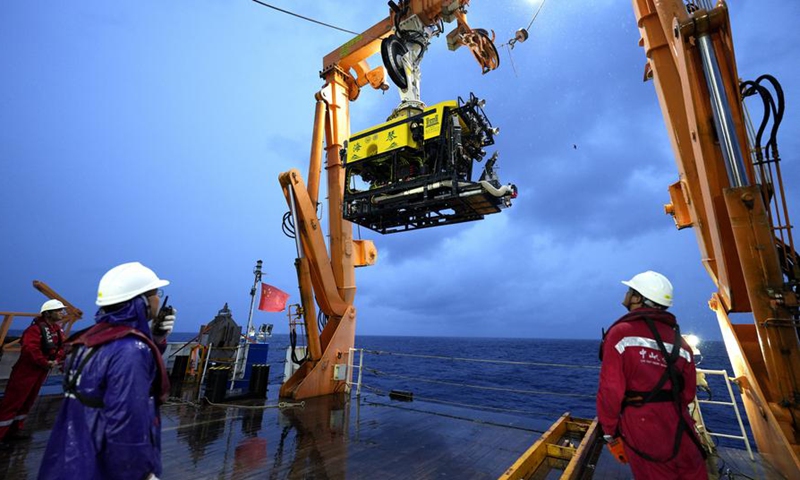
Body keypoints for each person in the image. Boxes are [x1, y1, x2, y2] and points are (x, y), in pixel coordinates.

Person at [39, 262, 176, 480]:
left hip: (71, 456)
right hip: (103, 465)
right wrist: (139, 473)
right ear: (140, 301)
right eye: (154, 293)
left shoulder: (88, 340)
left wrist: (155, 337)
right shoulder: (132, 350)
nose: (158, 298)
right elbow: (126, 420)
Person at [597, 271, 708, 480]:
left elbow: (611, 389)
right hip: (681, 427)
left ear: (638, 298)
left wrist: (610, 432)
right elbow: (688, 393)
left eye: (630, 290)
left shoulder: (621, 333)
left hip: (643, 427)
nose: (626, 294)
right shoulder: (680, 343)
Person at [0, 299, 66, 445]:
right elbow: (30, 350)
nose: (62, 313)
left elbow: (62, 346)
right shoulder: (34, 330)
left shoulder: (56, 330)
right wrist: (45, 362)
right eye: (59, 310)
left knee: (28, 401)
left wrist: (56, 360)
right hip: (26, 371)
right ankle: (1, 433)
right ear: (48, 313)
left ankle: (15, 430)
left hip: (41, 371)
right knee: (13, 401)